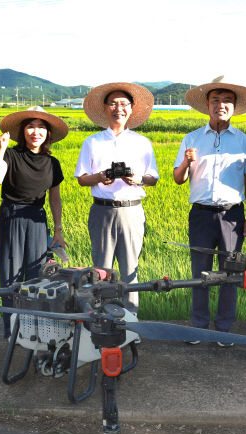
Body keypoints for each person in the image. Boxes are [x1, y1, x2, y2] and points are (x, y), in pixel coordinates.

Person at [173, 77, 246, 345]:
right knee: (199, 273)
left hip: (233, 215)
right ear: (207, 106)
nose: (220, 105)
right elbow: (177, 178)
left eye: (226, 101)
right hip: (200, 214)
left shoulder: (245, 142)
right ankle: (199, 326)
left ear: (234, 107)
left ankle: (223, 329)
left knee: (230, 273)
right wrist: (186, 163)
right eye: (215, 100)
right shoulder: (192, 138)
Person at [74, 82, 159, 314]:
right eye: (113, 103)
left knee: (131, 267)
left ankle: (130, 320)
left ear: (131, 109)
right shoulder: (92, 142)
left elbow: (153, 178)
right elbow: (82, 178)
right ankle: (102, 319)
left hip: (132, 210)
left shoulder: (142, 142)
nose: (118, 108)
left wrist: (138, 179)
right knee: (101, 270)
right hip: (102, 210)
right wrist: (100, 177)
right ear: (105, 108)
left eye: (124, 104)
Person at [0, 106, 69, 338]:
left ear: (48, 133)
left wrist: (58, 229)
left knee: (37, 275)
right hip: (12, 216)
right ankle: (11, 329)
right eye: (31, 127)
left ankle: (34, 328)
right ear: (23, 131)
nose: (36, 132)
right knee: (11, 274)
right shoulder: (11, 155)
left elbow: (55, 198)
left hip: (37, 218)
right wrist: (1, 149)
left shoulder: (52, 163)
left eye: (41, 127)